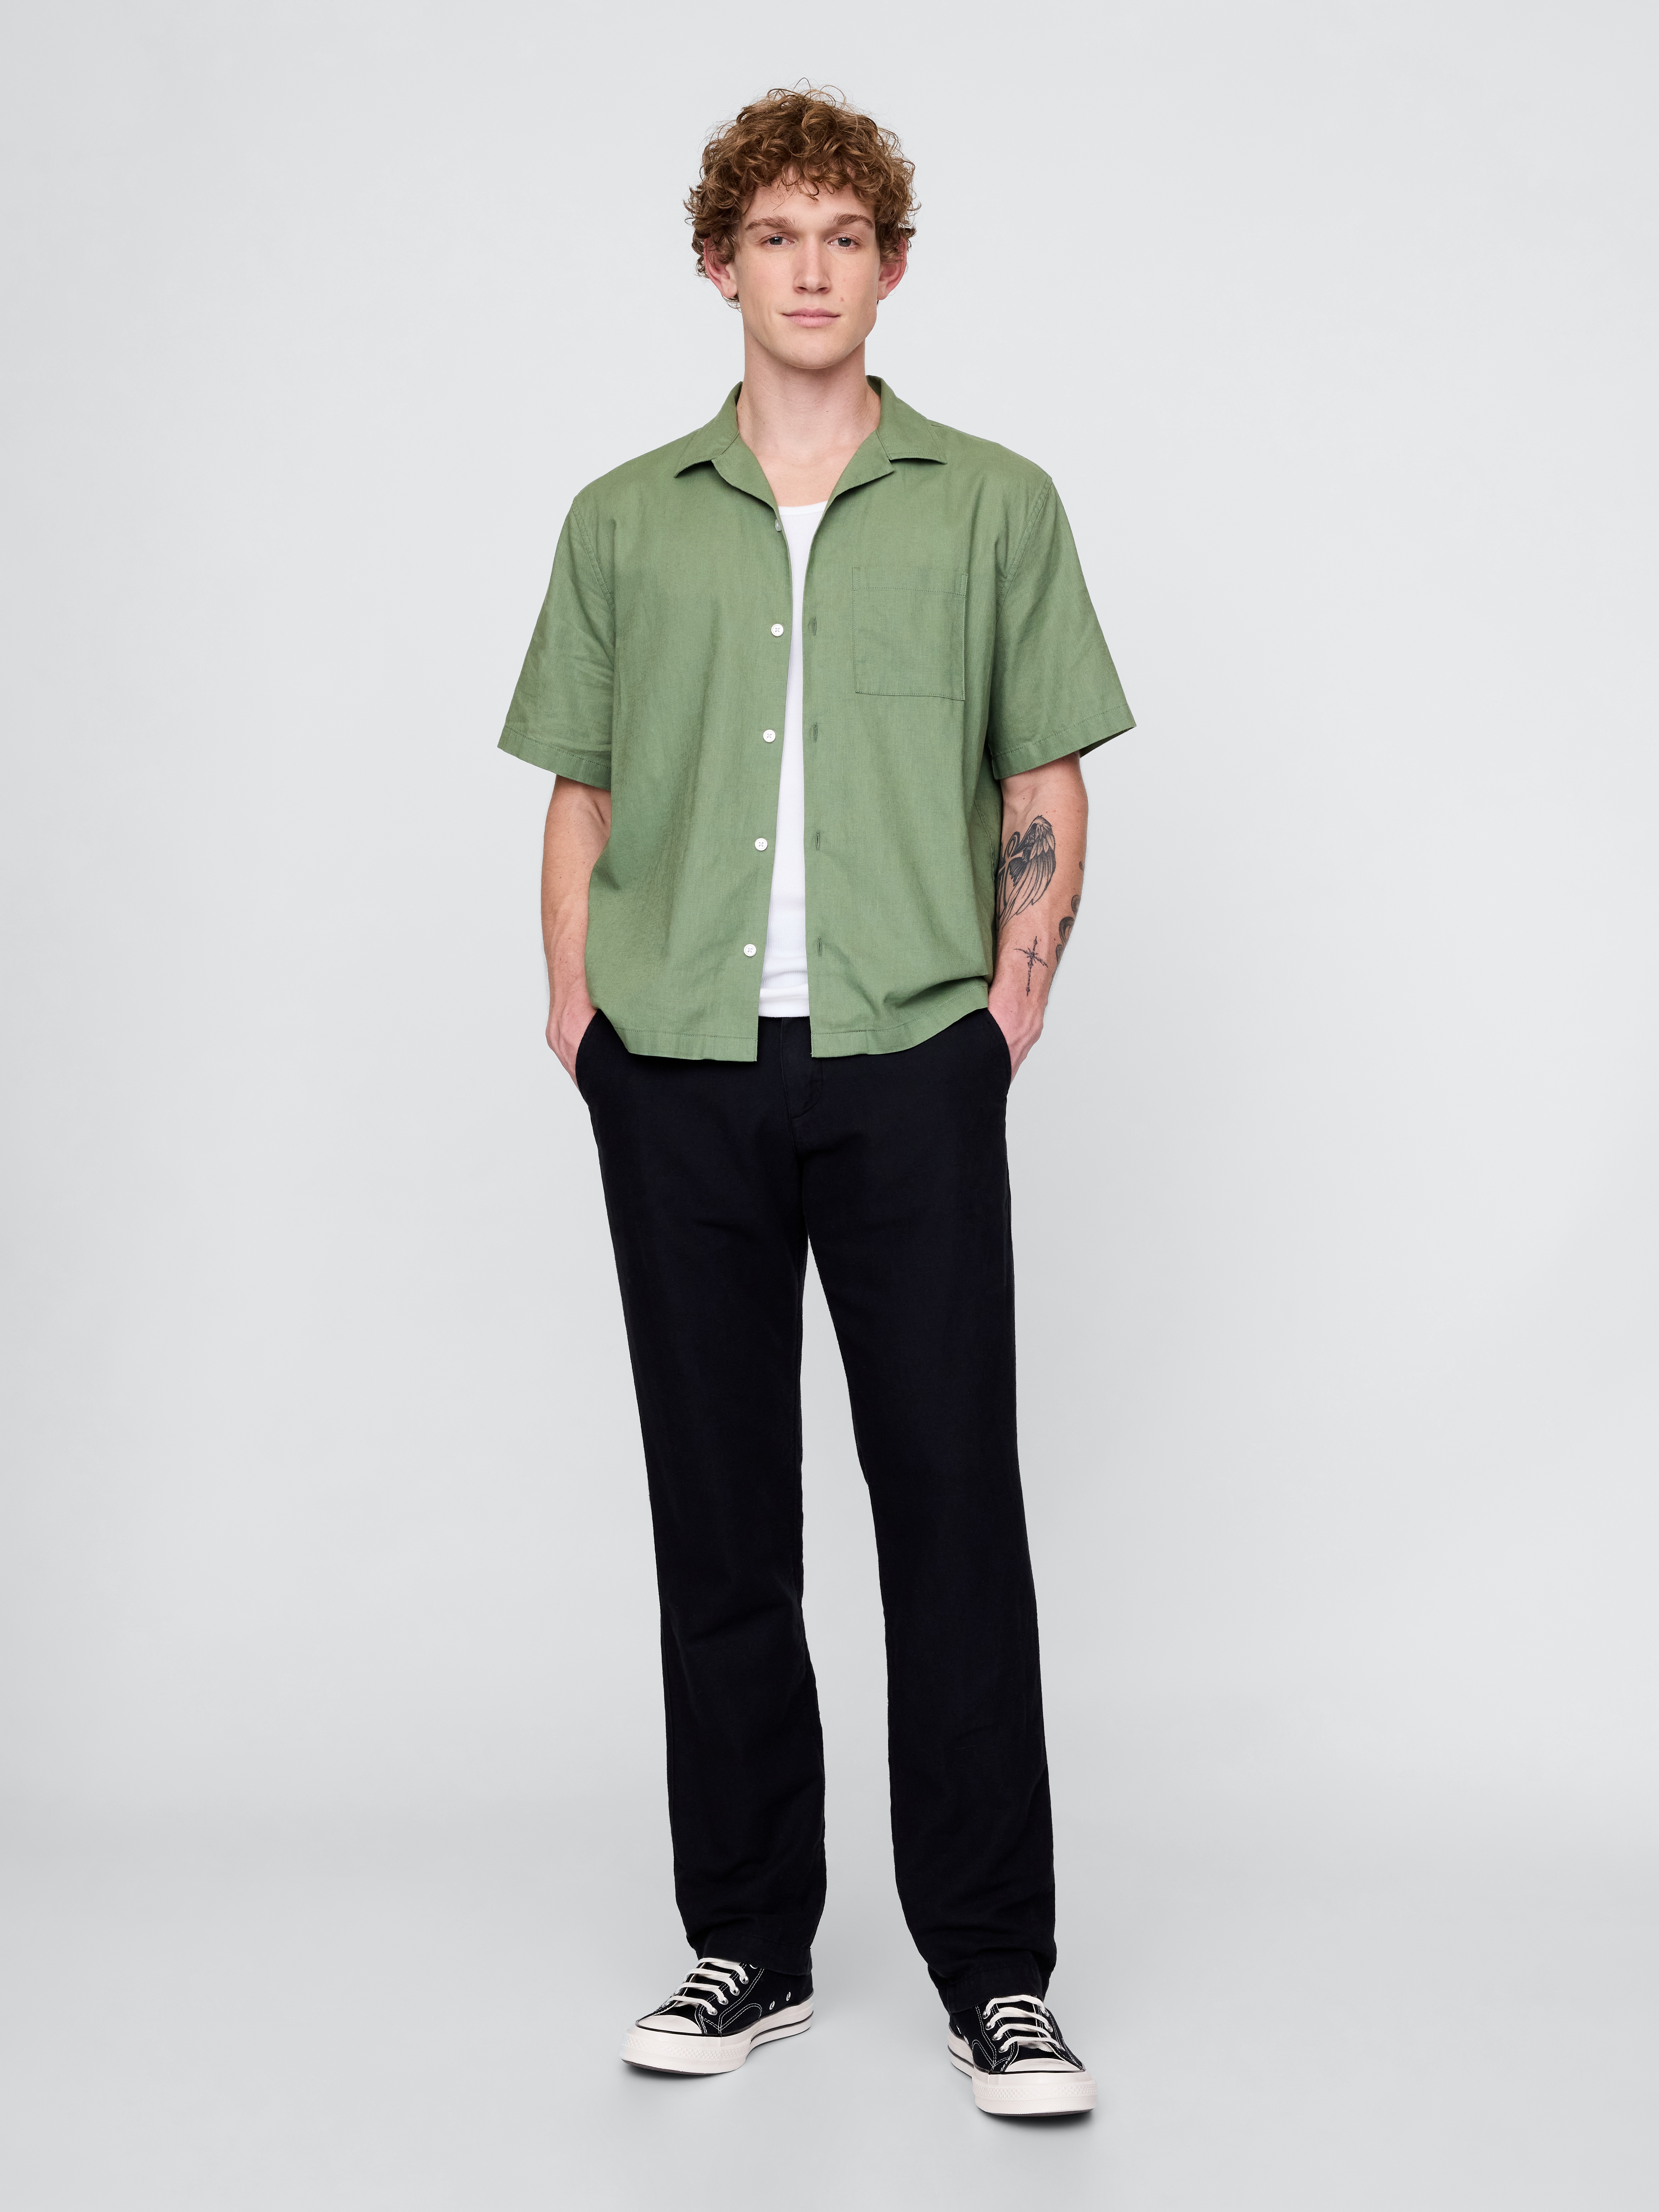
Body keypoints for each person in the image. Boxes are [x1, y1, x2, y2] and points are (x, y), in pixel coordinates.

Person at [498, 86, 1133, 2118]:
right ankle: (748, 1943)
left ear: (891, 267)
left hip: (910, 1058)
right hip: (676, 1067)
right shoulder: (622, 520)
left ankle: (998, 1975)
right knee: (720, 1520)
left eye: (844, 235)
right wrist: (581, 1014)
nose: (809, 267)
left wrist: (1003, 1015)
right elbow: (580, 790)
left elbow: (1044, 775)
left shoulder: (993, 504)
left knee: (951, 1508)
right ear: (719, 263)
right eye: (774, 234)